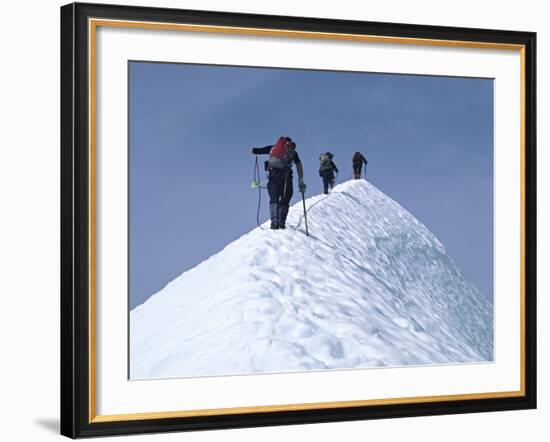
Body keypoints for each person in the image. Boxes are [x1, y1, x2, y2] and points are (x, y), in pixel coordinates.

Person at [251, 136, 306, 230]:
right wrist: (300, 180)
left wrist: (254, 151)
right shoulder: (293, 152)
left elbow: (259, 150)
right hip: (286, 176)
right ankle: (281, 223)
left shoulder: (273, 148)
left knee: (274, 198)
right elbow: (298, 165)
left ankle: (274, 223)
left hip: (273, 175)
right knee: (286, 197)